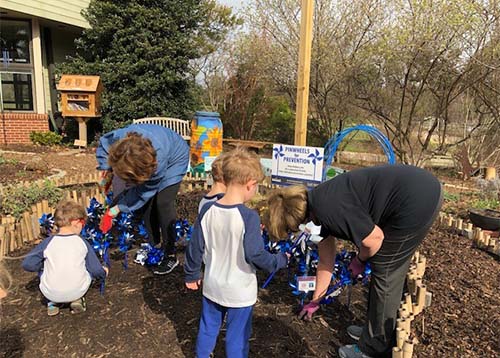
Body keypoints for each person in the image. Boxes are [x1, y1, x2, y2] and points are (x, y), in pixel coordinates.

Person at [267, 164, 442, 358]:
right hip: (416, 192)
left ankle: (372, 348)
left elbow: (374, 239)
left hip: (416, 200)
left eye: (292, 229)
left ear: (296, 220)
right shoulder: (319, 204)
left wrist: (359, 261)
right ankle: (374, 331)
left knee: (385, 269)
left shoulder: (329, 210)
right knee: (386, 266)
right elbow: (326, 261)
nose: (296, 232)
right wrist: (316, 300)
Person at [185, 148, 289, 358]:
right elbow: (255, 255)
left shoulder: (207, 210)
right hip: (239, 291)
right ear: (249, 184)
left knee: (207, 328)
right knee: (237, 335)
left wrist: (192, 273)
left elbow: (195, 245)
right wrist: (279, 260)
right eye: (256, 186)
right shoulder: (248, 217)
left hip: (212, 285)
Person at [96, 124, 189, 275]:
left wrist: (115, 209)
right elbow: (104, 145)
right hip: (152, 154)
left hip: (175, 158)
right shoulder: (119, 141)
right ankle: (153, 244)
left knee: (162, 202)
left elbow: (142, 193)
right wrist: (106, 169)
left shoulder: (157, 165)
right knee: (148, 205)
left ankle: (170, 254)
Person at [22, 200, 108, 316]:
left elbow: (28, 264)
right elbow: (95, 269)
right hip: (78, 291)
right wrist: (104, 272)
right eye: (83, 223)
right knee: (86, 268)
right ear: (76, 223)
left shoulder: (48, 243)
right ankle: (77, 300)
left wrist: (43, 267)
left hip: (50, 292)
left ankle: (52, 303)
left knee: (47, 269)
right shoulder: (82, 242)